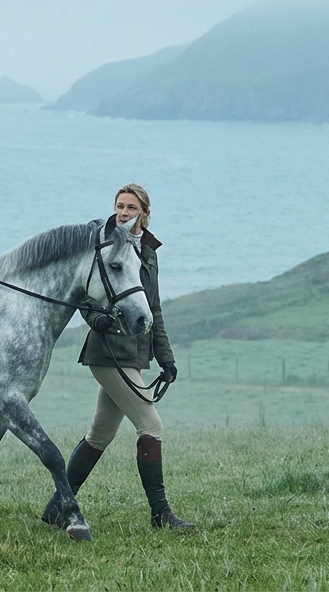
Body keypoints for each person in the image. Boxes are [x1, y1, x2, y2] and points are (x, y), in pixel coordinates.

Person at [42, 183, 194, 529]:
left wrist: (166, 358)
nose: (123, 213)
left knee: (100, 434)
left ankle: (57, 507)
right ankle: (160, 514)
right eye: (119, 206)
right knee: (150, 425)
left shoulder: (149, 254)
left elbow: (152, 308)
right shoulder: (105, 245)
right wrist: (101, 320)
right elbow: (85, 298)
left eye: (131, 208)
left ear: (145, 213)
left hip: (135, 356)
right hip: (107, 352)